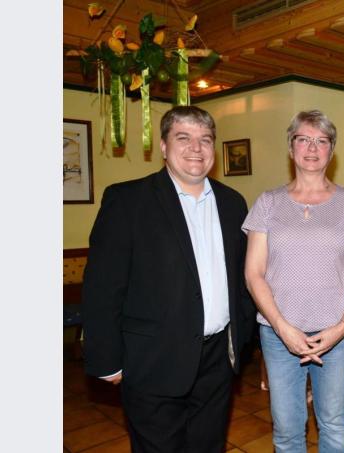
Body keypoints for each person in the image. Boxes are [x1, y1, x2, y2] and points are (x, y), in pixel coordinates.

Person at [81, 105, 255, 452]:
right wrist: (105, 358)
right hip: (153, 359)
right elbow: (103, 287)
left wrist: (242, 336)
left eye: (205, 139)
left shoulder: (233, 202)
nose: (196, 148)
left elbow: (241, 278)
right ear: (163, 146)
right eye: (183, 138)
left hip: (217, 360)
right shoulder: (127, 200)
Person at [243, 110, 344, 453]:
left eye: (321, 141)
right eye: (303, 139)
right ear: (291, 148)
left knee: (333, 421)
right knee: (287, 427)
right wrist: (282, 328)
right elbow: (254, 273)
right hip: (278, 333)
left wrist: (342, 327)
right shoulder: (268, 203)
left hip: (338, 333)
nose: (312, 148)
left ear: (332, 150)